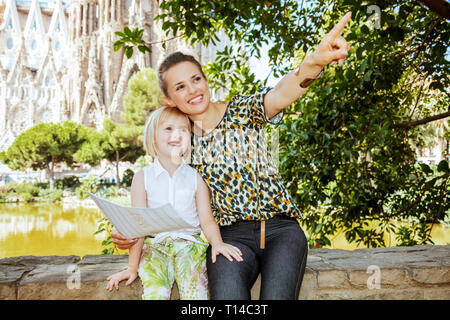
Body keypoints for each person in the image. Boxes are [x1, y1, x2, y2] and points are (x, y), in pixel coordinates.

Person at [112, 12, 352, 299]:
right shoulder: (180, 143)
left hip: (280, 231)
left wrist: (315, 61)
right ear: (169, 99)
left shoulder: (241, 110)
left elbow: (280, 94)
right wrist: (129, 232)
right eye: (180, 87)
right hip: (228, 237)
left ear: (204, 79)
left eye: (196, 79)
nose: (193, 90)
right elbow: (162, 201)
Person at [106, 106, 243, 300]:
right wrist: (131, 268)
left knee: (195, 295)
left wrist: (218, 243)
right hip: (155, 248)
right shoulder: (142, 178)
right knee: (156, 294)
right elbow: (138, 226)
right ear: (153, 137)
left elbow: (207, 220)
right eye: (168, 129)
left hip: (189, 247)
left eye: (183, 130)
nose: (176, 135)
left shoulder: (196, 177)